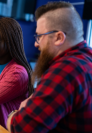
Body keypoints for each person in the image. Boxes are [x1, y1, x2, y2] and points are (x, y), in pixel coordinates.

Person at [7, 1, 92, 133]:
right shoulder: (87, 59)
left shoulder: (65, 70)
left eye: (39, 37)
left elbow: (21, 127)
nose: (36, 44)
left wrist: (13, 114)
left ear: (58, 37)